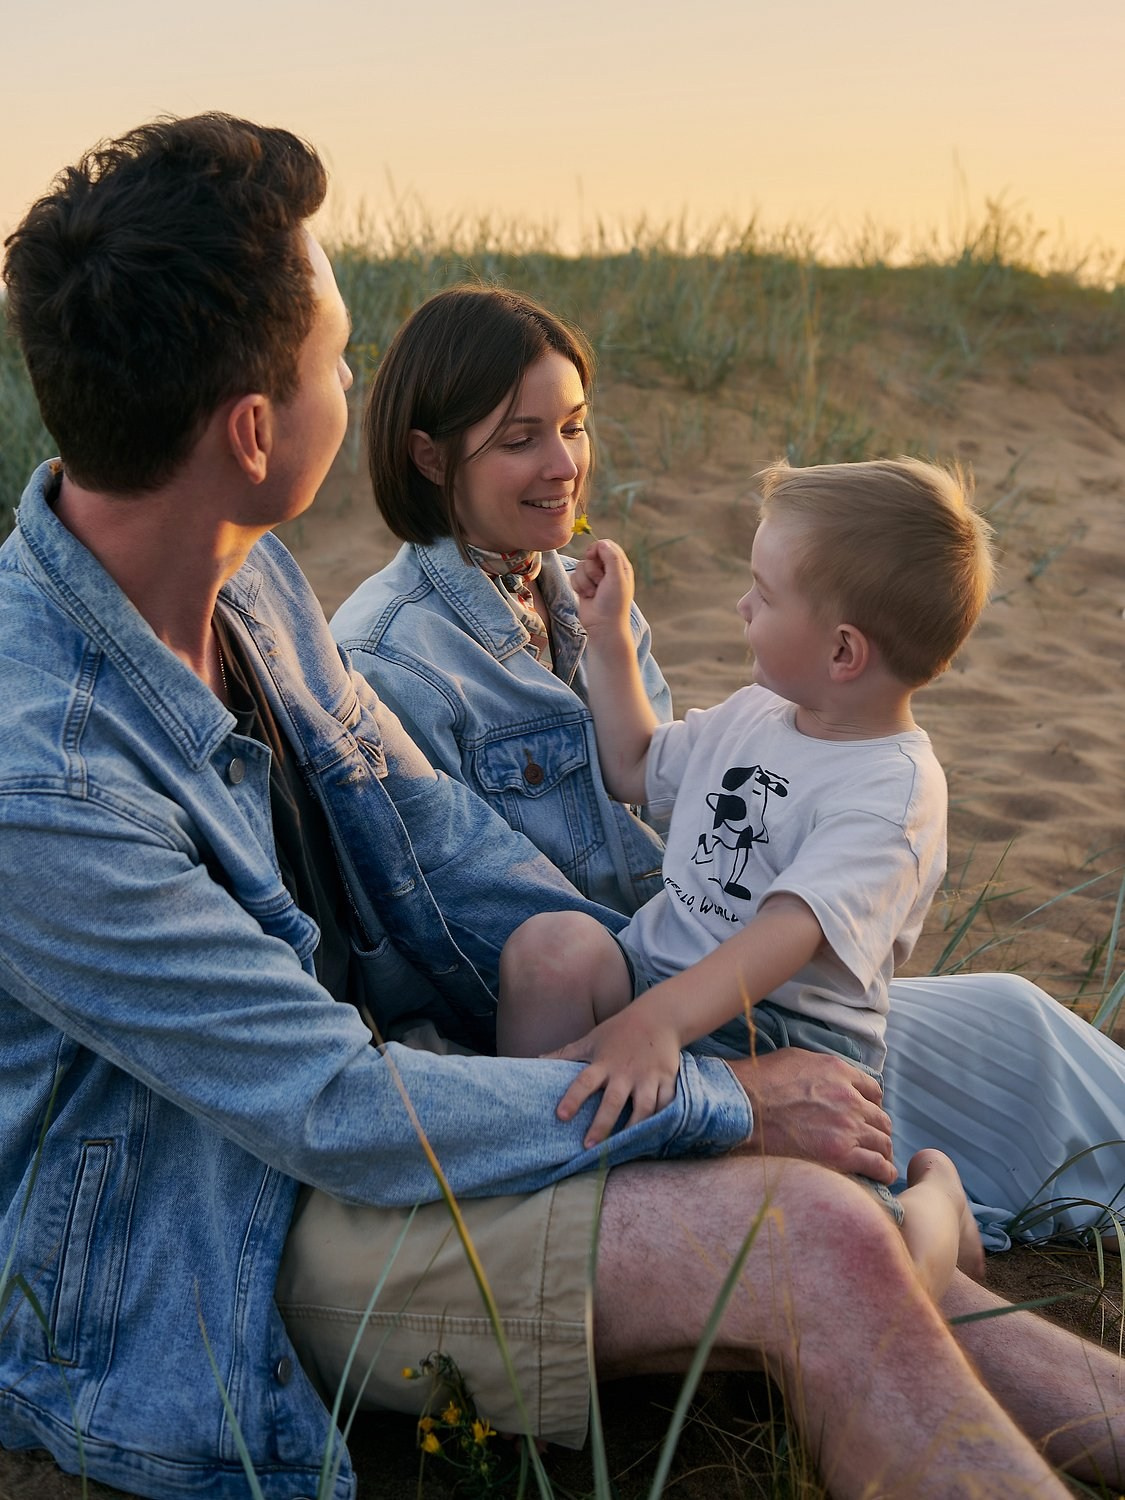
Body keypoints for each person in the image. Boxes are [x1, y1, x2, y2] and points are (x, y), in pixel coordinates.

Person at [0, 114, 1120, 1500]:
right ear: (249, 430)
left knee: (879, 1175)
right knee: (816, 1239)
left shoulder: (250, 582)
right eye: (336, 357)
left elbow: (439, 840)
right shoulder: (43, 782)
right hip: (220, 1213)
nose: (350, 377)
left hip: (417, 1075)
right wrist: (710, 1096)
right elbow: (328, 1106)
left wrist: (642, 1008)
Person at [333, 288, 1125, 1254]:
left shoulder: (570, 589)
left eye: (574, 428)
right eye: (519, 440)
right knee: (804, 1215)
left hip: (720, 986)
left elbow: (677, 813)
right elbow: (456, 920)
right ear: (429, 456)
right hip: (624, 993)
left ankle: (933, 1212)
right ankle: (597, 1224)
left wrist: (611, 639)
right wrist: (674, 1041)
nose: (563, 465)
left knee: (1021, 1027)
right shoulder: (387, 658)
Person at [497, 458, 995, 1293]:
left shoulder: (892, 791)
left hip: (784, 1043)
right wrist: (611, 635)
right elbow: (634, 767)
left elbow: (783, 936)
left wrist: (657, 1023)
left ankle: (937, 1206)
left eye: (762, 596)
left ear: (841, 651)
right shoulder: (760, 712)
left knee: (870, 1267)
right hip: (653, 980)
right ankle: (540, 1176)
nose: (742, 607)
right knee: (550, 949)